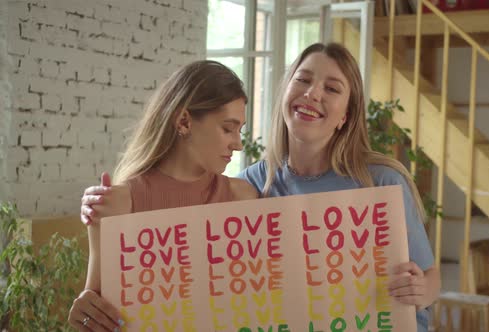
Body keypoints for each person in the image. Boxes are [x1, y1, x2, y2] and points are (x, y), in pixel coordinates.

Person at [79, 43, 440, 331]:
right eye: (303, 80)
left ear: (345, 115)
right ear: (285, 91)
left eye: (332, 88)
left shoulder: (381, 181)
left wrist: (422, 291)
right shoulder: (253, 184)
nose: (313, 94)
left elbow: (430, 279)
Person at [68, 60, 258, 332]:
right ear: (184, 121)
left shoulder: (243, 199)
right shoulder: (117, 204)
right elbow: (95, 312)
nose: (238, 144)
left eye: (240, 130)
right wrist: (85, 314)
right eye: (228, 128)